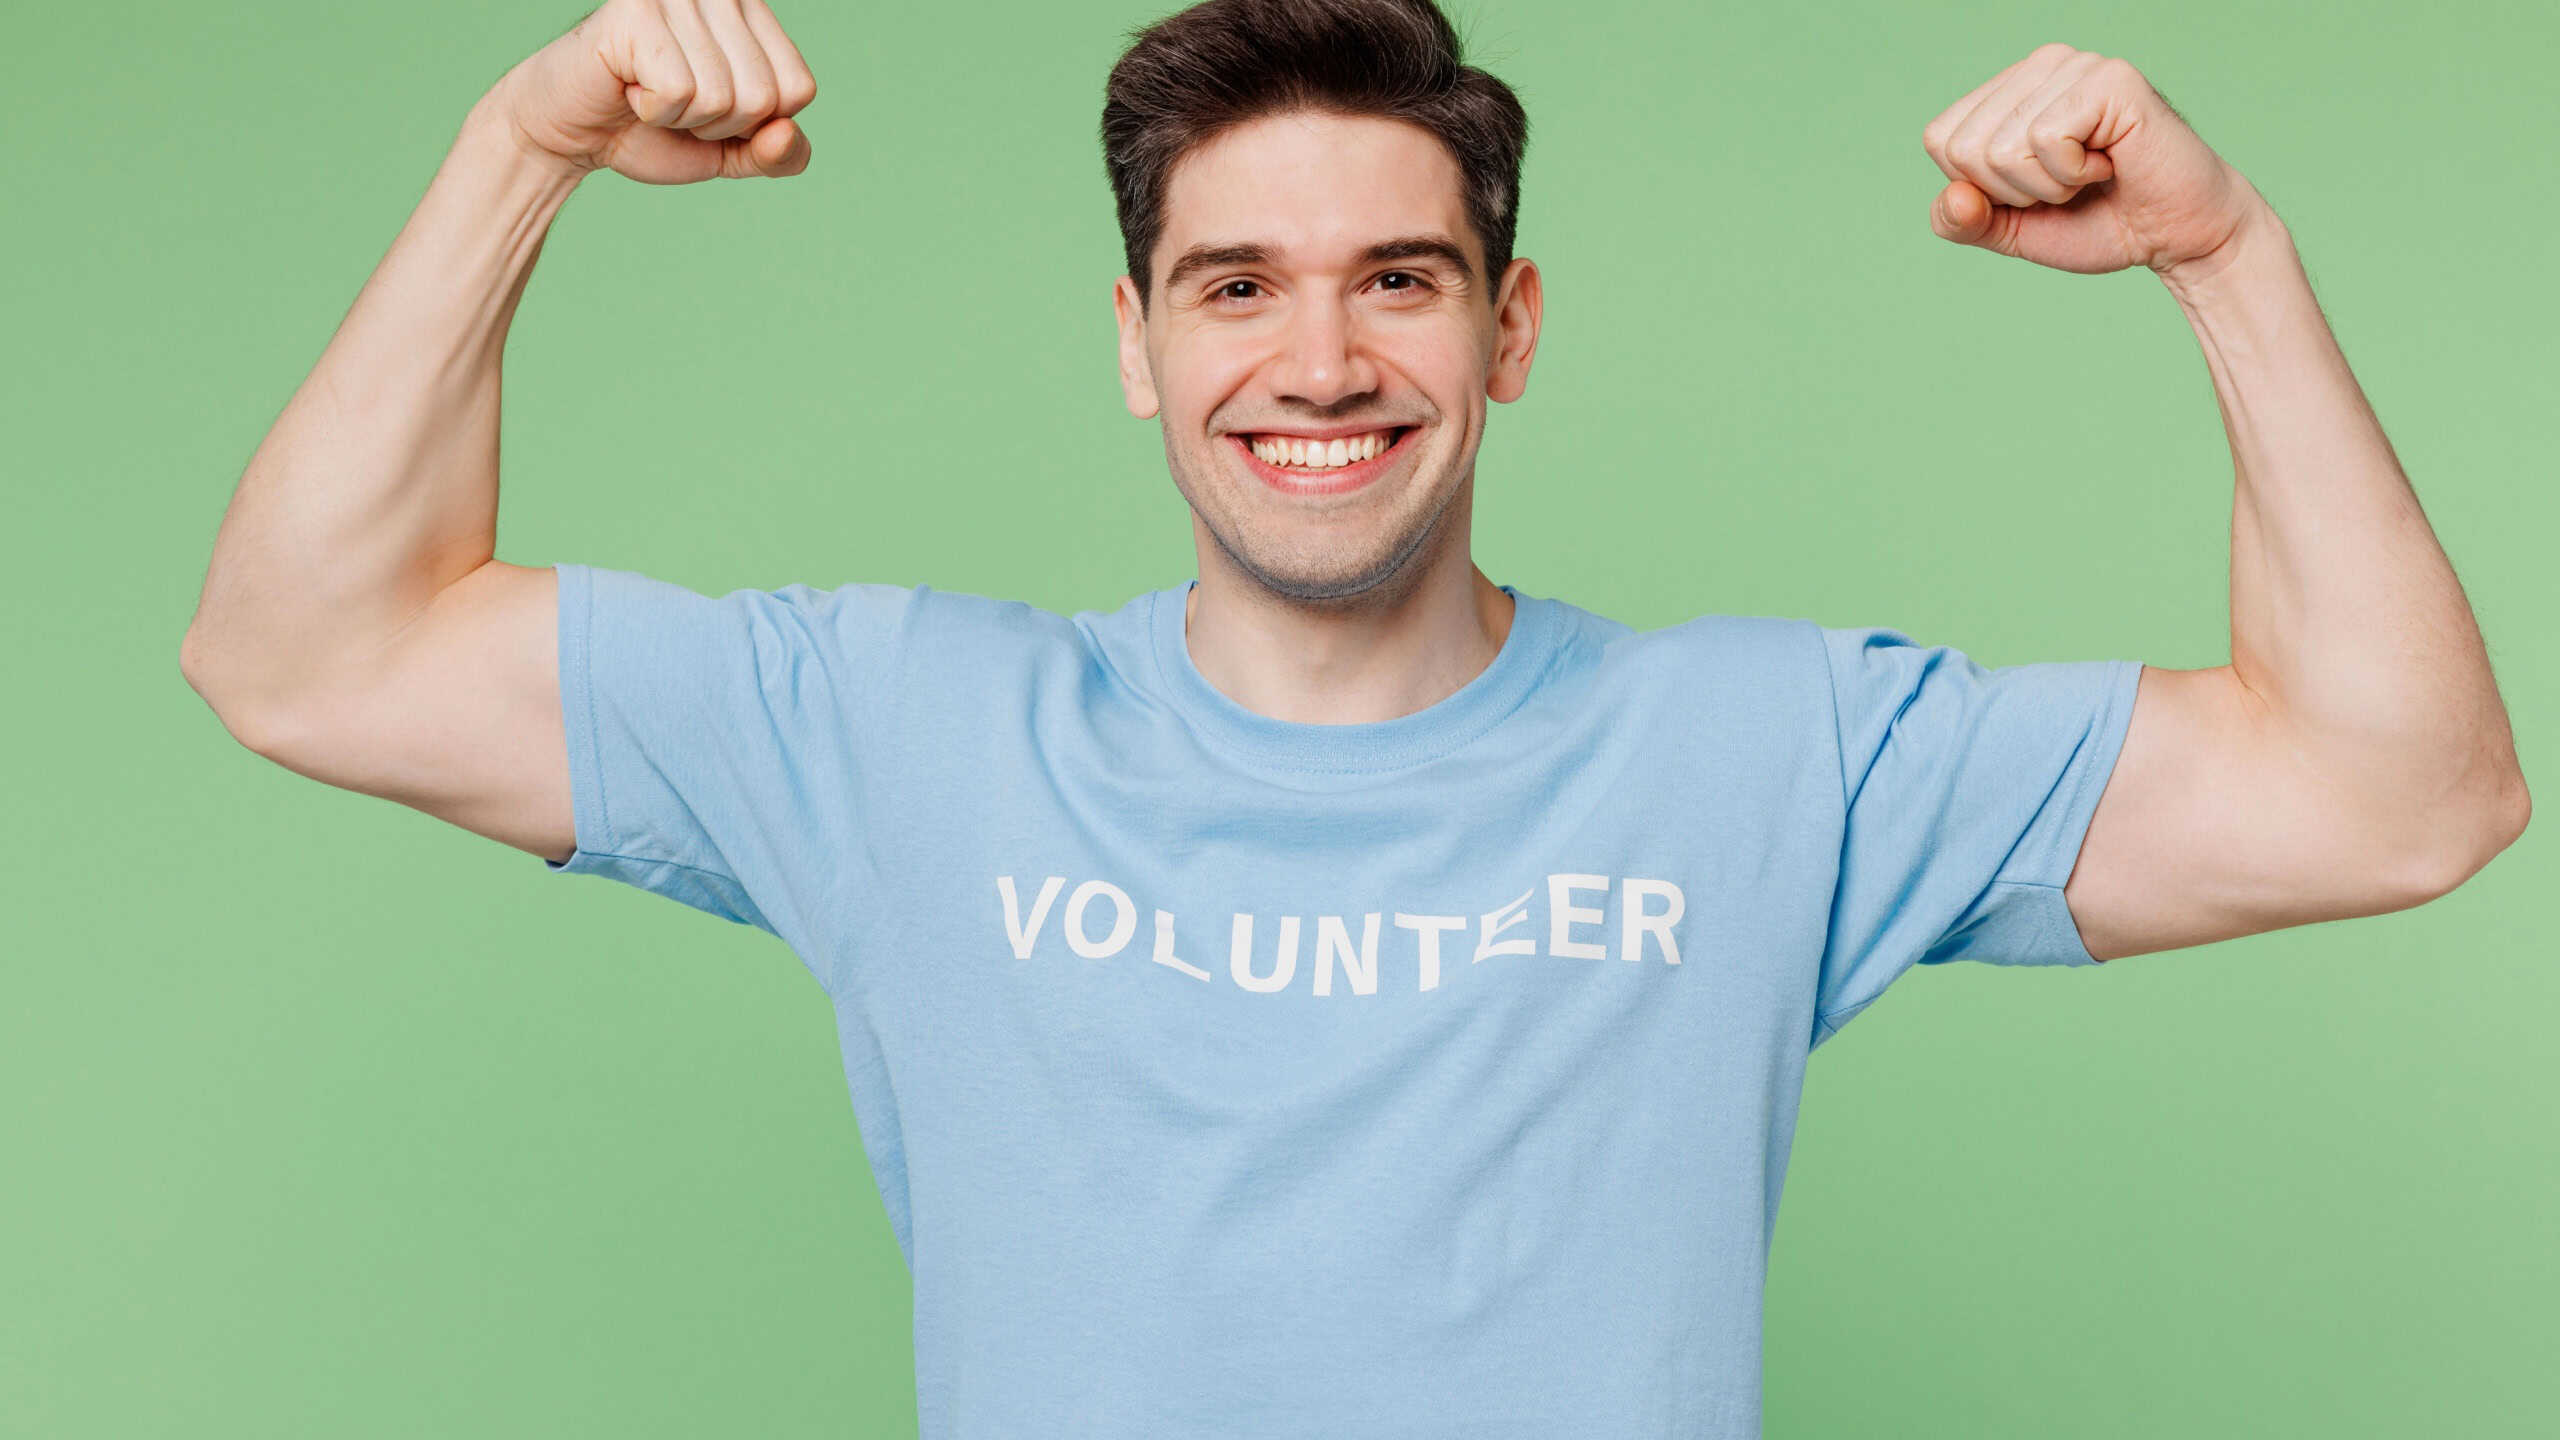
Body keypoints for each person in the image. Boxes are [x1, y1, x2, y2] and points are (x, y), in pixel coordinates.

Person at [177, 0, 2529, 1434]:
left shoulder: (1765, 749)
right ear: (1136, 343)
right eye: (1235, 286)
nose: (1317, 362)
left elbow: (2395, 793)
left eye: (1394, 280)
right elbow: (305, 645)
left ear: (1506, 330)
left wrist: (2223, 264)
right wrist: (522, 155)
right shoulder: (888, 724)